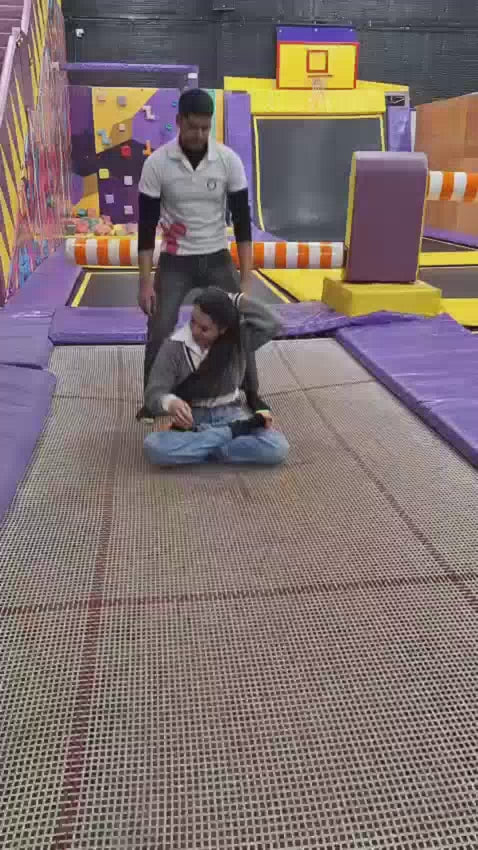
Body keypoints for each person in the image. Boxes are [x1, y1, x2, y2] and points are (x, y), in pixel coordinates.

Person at [137, 87, 266, 420]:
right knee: (161, 323)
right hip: (175, 261)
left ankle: (252, 393)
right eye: (193, 126)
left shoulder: (228, 161)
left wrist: (246, 278)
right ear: (179, 121)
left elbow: (242, 225)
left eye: (206, 127)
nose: (199, 134)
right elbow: (146, 228)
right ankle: (153, 399)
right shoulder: (157, 165)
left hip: (216, 257)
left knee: (238, 323)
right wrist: (145, 283)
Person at [143, 288, 289, 467]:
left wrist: (236, 300)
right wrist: (171, 403)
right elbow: (153, 394)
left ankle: (199, 448)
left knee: (277, 447)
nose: (195, 331)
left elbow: (273, 323)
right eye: (192, 322)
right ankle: (225, 440)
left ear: (223, 329)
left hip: (231, 414)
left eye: (204, 329)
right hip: (193, 419)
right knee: (153, 447)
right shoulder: (173, 347)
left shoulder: (238, 339)